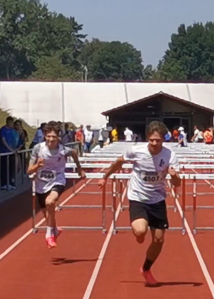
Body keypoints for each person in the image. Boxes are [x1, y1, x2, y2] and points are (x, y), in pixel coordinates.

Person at [99, 121, 181, 286]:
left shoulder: (169, 155)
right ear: (147, 138)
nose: (154, 143)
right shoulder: (136, 151)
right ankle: (140, 234)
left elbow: (177, 184)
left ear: (163, 139)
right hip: (138, 197)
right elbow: (119, 162)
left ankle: (146, 268)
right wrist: (105, 176)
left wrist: (173, 176)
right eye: (151, 140)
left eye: (158, 140)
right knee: (140, 231)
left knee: (158, 240)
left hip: (157, 199)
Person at [27, 122, 85, 248]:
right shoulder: (38, 148)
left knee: (50, 202)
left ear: (58, 136)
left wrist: (79, 169)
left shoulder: (63, 150)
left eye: (53, 136)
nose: (51, 139)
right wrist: (37, 166)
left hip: (58, 180)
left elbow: (74, 153)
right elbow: (29, 171)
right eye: (48, 136)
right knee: (47, 214)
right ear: (44, 136)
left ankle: (49, 234)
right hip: (41, 183)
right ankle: (55, 230)